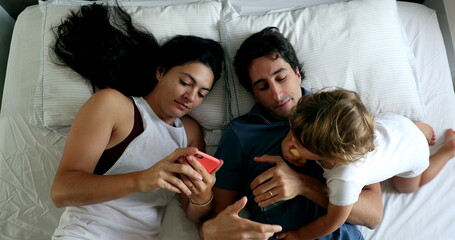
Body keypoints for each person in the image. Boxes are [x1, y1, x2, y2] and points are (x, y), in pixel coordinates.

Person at [49, 3, 224, 239]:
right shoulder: (112, 105)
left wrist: (201, 198)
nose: (190, 97)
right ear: (160, 72)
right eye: (185, 82)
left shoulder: (189, 132)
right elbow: (62, 191)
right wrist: (142, 180)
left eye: (202, 94)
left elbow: (192, 214)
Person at [199, 27, 383, 240]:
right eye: (262, 86)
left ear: (297, 73)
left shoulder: (337, 114)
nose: (276, 94)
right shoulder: (240, 134)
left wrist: (303, 185)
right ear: (253, 94)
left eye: (281, 78)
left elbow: (373, 215)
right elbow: (220, 219)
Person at [278, 88, 455, 240]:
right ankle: (417, 129)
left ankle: (446, 151)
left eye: (299, 143)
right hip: (396, 124)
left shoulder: (344, 179)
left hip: (414, 151)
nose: (292, 140)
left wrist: (300, 235)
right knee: (396, 131)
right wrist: (290, 141)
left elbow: (332, 222)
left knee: (406, 187)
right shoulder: (349, 126)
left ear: (331, 158)